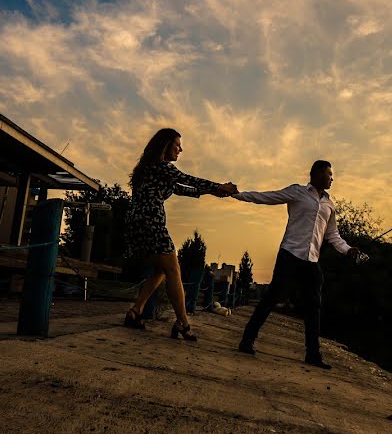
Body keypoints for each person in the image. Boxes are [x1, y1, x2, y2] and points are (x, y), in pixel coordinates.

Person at [233, 160, 359, 369]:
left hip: (311, 261)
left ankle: (313, 355)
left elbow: (333, 235)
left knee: (314, 308)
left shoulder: (329, 205)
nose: (332, 178)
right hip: (290, 255)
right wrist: (237, 194)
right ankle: (247, 340)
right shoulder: (297, 192)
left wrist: (348, 249)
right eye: (329, 174)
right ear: (317, 174)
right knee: (271, 298)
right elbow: (266, 197)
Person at [123, 128, 237, 341]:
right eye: (177, 145)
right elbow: (188, 179)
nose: (180, 149)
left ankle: (136, 311)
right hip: (151, 222)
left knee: (161, 270)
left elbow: (183, 189)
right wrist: (220, 186)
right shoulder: (162, 166)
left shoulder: (148, 169)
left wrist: (213, 191)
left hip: (135, 224)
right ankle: (183, 322)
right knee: (174, 268)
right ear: (165, 146)